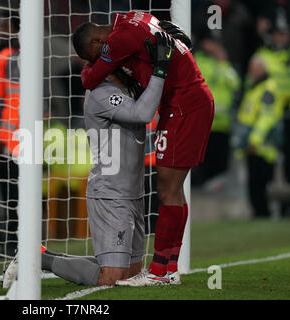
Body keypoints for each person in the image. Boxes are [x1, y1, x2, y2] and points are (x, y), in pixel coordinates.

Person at [2, 31, 175, 288]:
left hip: (132, 191)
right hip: (110, 193)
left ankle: (39, 255)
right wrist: (160, 70)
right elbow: (143, 113)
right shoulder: (102, 93)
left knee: (129, 273)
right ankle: (35, 258)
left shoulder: (125, 85)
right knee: (112, 278)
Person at [72, 11, 214, 286]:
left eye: (97, 57)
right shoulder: (138, 19)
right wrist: (173, 54)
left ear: (98, 43)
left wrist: (162, 67)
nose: (103, 64)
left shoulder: (120, 40)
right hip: (184, 104)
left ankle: (160, 272)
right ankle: (169, 267)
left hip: (184, 106)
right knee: (173, 189)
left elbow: (91, 79)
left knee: (168, 189)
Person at [231, 55, 288, 218]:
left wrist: (255, 140)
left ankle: (264, 213)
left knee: (262, 183)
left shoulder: (268, 89)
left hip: (263, 146)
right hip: (252, 145)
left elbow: (267, 117)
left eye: (254, 68)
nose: (251, 71)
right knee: (254, 184)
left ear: (262, 69)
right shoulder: (255, 87)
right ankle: (259, 212)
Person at [192, 30, 241, 185]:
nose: (215, 46)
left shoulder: (223, 63)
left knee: (221, 164)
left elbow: (235, 83)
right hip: (204, 122)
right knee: (203, 163)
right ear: (205, 43)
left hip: (223, 123)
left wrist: (223, 62)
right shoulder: (196, 60)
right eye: (212, 42)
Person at [0, 9, 21, 257]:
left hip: (9, 139)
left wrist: (0, 137)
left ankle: (13, 243)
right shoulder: (27, 58)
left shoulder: (5, 57)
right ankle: (20, 241)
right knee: (19, 194)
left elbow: (0, 100)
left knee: (11, 195)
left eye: (3, 25)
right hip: (25, 137)